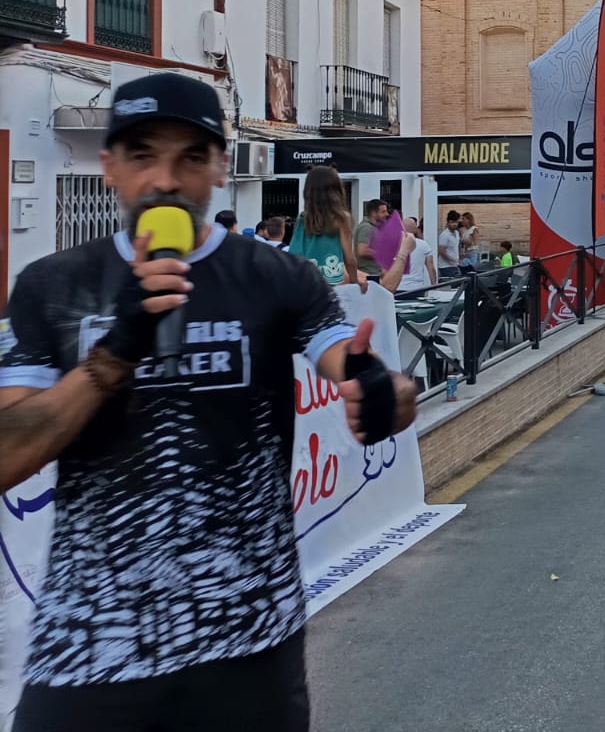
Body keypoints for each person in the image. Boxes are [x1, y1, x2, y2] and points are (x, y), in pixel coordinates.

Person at [0, 71, 417, 731]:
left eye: (191, 158)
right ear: (108, 166)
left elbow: (350, 359)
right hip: (88, 654)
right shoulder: (52, 286)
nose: (165, 179)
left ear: (221, 169)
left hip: (249, 646)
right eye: (142, 155)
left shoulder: (275, 276)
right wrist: (118, 349)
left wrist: (382, 391)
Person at [287, 164, 362, 287]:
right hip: (330, 281)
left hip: (305, 278)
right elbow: (349, 259)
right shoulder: (341, 218)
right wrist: (355, 282)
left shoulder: (303, 218)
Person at [395, 216, 437, 294]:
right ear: (415, 229)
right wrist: (434, 286)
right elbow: (431, 268)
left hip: (397, 287)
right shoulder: (424, 245)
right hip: (416, 288)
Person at [354, 198, 388, 277]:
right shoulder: (366, 228)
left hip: (375, 273)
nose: (387, 214)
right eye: (383, 212)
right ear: (373, 213)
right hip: (369, 274)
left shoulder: (374, 227)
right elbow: (362, 251)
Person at [436, 210, 462, 279]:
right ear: (448, 222)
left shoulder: (457, 233)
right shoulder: (444, 235)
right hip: (446, 266)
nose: (455, 224)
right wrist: (451, 260)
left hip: (455, 265)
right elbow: (441, 251)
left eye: (456, 222)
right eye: (452, 222)